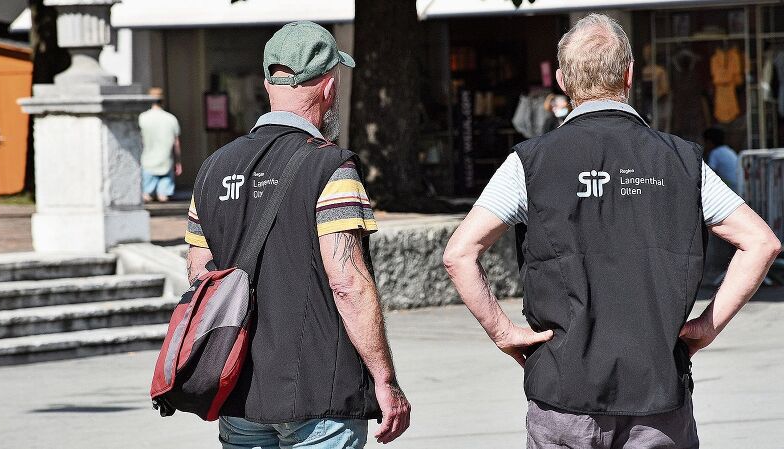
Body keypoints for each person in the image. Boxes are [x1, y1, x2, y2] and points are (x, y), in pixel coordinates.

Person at [444, 13, 780, 449]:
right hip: (658, 399)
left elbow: (459, 253)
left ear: (563, 81)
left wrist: (503, 333)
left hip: (564, 398)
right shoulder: (681, 161)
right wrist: (706, 326)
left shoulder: (530, 163)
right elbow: (761, 241)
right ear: (629, 75)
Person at [184, 21, 410, 449]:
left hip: (239, 391)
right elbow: (348, 284)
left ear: (271, 82)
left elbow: (199, 277)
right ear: (327, 88)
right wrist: (386, 380)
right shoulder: (333, 168)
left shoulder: (211, 169)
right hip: (319, 396)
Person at [139, 87, 182, 202]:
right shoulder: (171, 119)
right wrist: (178, 162)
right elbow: (176, 143)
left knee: (146, 196)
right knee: (163, 197)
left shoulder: (142, 118)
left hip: (147, 162)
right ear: (162, 101)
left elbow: (139, 141)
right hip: (166, 163)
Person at [703, 127, 739, 192]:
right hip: (739, 185)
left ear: (709, 142)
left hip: (730, 187)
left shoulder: (715, 153)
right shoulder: (729, 150)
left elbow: (709, 173)